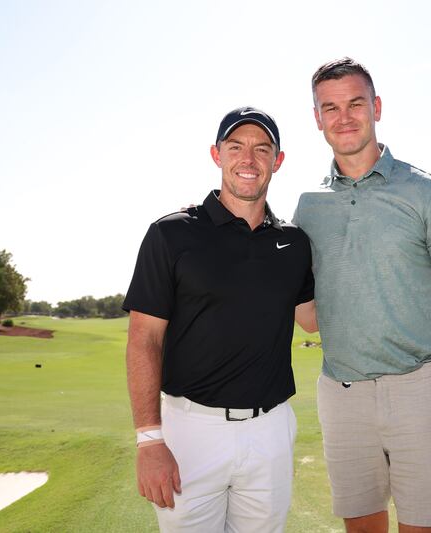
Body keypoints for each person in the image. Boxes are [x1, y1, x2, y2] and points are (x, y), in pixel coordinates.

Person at [293, 58, 431, 532]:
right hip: (342, 393)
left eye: (355, 103)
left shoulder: (427, 191)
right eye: (330, 108)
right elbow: (310, 316)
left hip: (422, 388)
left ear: (376, 107)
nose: (344, 117)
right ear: (317, 119)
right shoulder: (307, 207)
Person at [123, 106, 315, 533]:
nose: (249, 159)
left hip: (270, 431)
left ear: (277, 161)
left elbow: (312, 319)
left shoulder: (294, 243)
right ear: (217, 154)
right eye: (236, 147)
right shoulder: (171, 234)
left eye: (262, 149)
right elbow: (143, 340)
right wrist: (149, 440)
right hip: (191, 431)